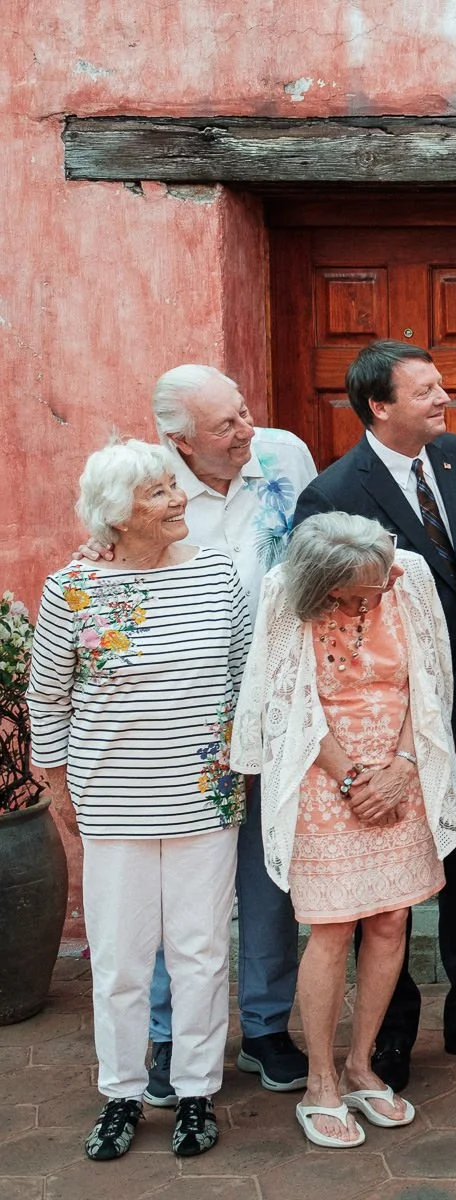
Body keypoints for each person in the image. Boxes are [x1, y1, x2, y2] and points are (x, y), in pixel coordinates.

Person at [291, 340, 456, 1090]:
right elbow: (319, 629)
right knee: (387, 885)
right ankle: (389, 1037)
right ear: (379, 407)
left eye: (442, 384)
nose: (444, 397)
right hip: (387, 722)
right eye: (425, 390)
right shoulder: (331, 494)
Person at [27, 439, 248, 1161]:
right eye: (158, 493)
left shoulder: (218, 575)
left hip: (203, 798)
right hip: (112, 800)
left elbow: (249, 678)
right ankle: (121, 1093)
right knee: (121, 958)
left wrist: (244, 762)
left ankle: (193, 1094)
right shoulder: (74, 589)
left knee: (202, 951)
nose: (178, 498)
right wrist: (58, 788)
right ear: (118, 516)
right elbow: (48, 696)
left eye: (171, 486)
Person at [232, 513, 456, 1148]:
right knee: (332, 926)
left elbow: (432, 684)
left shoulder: (406, 575)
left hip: (401, 765)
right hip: (321, 769)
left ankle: (361, 1065)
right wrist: (351, 779)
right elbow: (286, 702)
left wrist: (403, 768)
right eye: (368, 585)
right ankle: (320, 1081)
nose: (386, 584)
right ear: (329, 587)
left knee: (390, 921)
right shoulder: (287, 591)